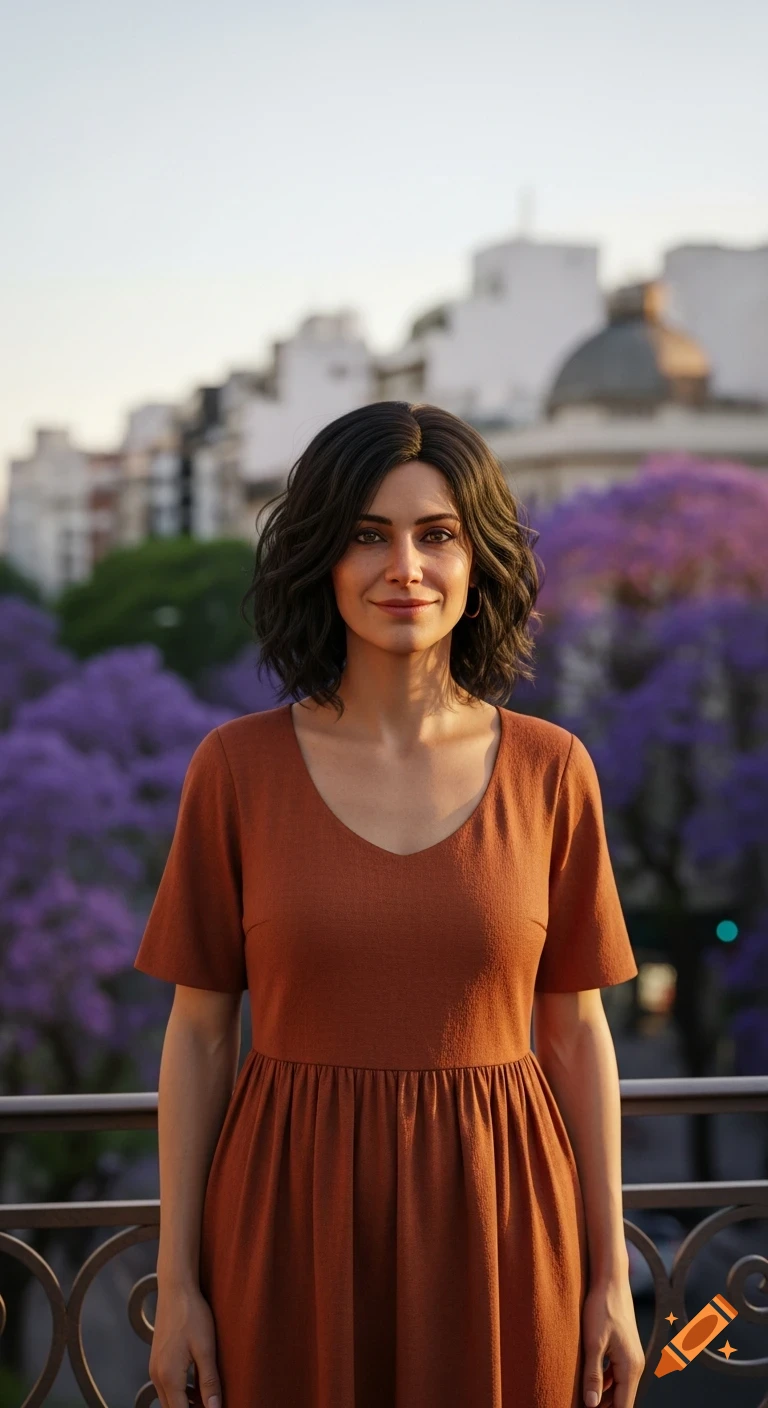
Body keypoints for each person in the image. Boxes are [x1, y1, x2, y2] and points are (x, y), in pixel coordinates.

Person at [134, 400, 645, 1408]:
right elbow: (197, 1036)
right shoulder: (235, 770)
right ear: (323, 558)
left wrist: (610, 1276)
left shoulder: (553, 771)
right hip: (287, 1222)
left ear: (476, 559)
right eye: (368, 534)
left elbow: (578, 1034)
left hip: (505, 1220)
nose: (403, 566)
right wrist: (180, 1278)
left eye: (437, 534)